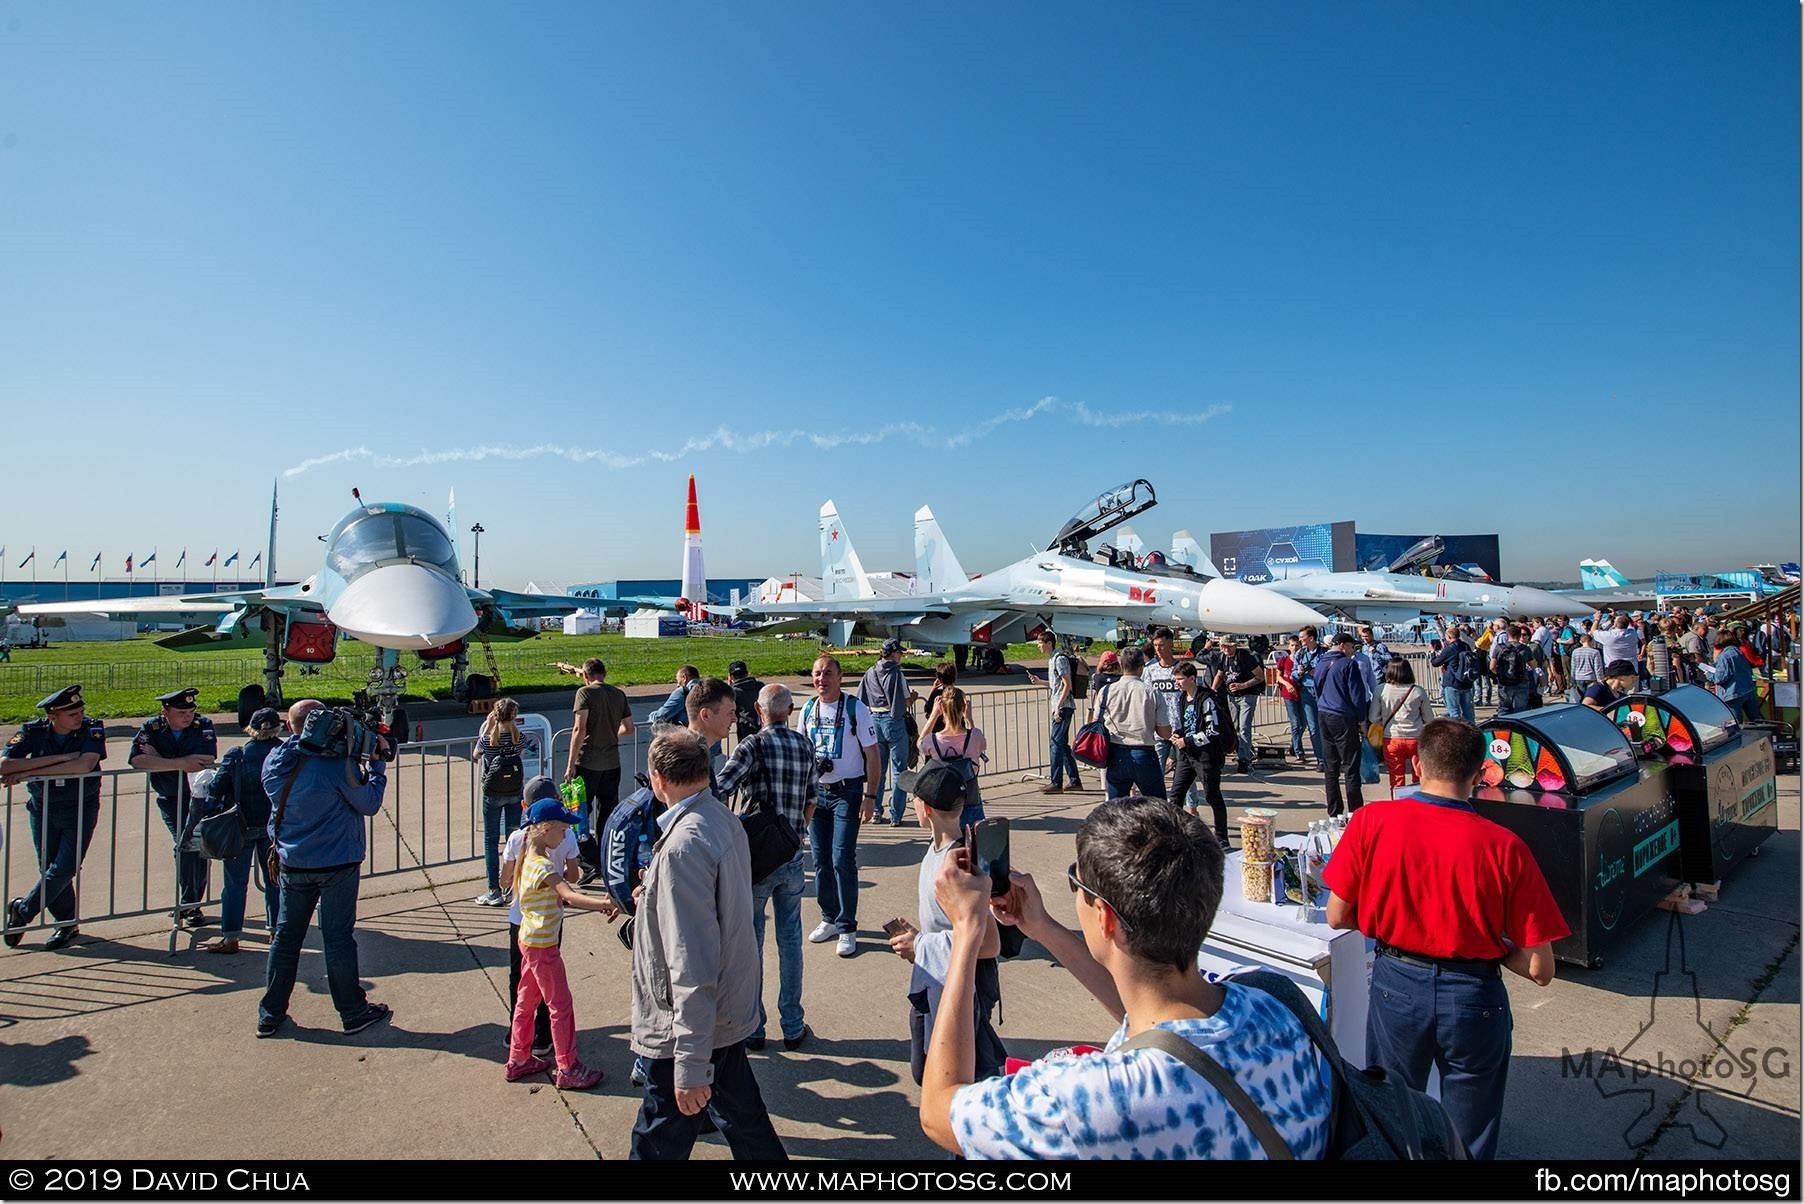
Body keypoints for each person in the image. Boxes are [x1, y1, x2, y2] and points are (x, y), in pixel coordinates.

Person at [919, 795, 1331, 1159]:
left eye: (1075, 883)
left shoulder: (1093, 1100)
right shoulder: (1275, 1007)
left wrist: (966, 933)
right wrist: (1042, 926)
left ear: (1104, 917)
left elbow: (940, 1111)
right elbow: (1154, 1020)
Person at [1325, 718, 1569, 1159]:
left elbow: (1337, 914)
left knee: (1392, 1112)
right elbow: (1540, 968)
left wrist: (1390, 919)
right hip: (1474, 994)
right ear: (1479, 776)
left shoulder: (1371, 820)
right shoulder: (1505, 846)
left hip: (1396, 982)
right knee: (1469, 1130)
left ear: (1416, 765)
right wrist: (1496, 945)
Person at [629, 730, 787, 1161]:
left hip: (687, 1028)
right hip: (721, 1016)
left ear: (658, 779)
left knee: (656, 1141)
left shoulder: (683, 845)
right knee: (747, 1126)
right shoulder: (720, 819)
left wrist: (690, 1063)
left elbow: (691, 963)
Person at [256, 699, 394, 1039]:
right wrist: (376, 767)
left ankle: (270, 1014)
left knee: (286, 940)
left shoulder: (276, 761)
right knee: (337, 940)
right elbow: (369, 803)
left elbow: (292, 756)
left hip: (293, 862)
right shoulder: (336, 766)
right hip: (337, 864)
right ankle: (352, 1012)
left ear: (290, 727)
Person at [887, 763, 1005, 1086]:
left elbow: (990, 942)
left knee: (958, 1077)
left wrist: (921, 945)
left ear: (925, 809)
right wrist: (918, 939)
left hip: (960, 989)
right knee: (927, 1069)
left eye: (913, 797)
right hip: (937, 979)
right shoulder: (935, 849)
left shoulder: (960, 862)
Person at [716, 682, 818, 1052]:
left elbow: (721, 785)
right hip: (791, 855)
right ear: (789, 711)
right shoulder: (805, 745)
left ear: (759, 712)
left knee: (752, 942)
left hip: (757, 857)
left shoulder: (753, 745)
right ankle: (792, 1024)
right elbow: (812, 798)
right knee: (791, 941)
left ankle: (754, 1026)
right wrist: (798, 833)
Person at [506, 793, 617, 1090]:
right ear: (545, 828)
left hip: (529, 941)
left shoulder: (527, 857)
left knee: (527, 1001)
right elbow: (568, 894)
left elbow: (553, 899)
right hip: (543, 947)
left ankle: (518, 1057)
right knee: (560, 1005)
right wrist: (603, 903)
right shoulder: (543, 866)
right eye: (563, 828)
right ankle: (567, 1066)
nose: (566, 833)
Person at [2, 685, 106, 951]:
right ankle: (67, 923)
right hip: (44, 806)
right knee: (49, 867)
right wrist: (59, 758)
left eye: (80, 711)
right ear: (53, 716)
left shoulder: (92, 728)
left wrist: (28, 771)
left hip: (79, 806)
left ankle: (23, 911)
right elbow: (4, 766)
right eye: (72, 713)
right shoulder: (31, 731)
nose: (79, 716)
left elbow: (83, 765)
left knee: (65, 868)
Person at [499, 777, 586, 1065]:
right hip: (547, 929)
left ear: (525, 807)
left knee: (522, 987)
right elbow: (571, 883)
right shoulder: (560, 846)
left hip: (521, 924)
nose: (564, 832)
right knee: (556, 998)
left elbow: (505, 880)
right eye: (562, 827)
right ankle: (558, 1053)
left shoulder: (517, 839)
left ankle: (518, 1046)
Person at [802, 655, 880, 958]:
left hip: (847, 792)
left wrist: (871, 796)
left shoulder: (855, 709)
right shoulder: (808, 709)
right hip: (817, 793)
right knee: (820, 860)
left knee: (842, 858)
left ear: (840, 676)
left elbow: (872, 755)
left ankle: (848, 926)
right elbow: (803, 751)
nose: (822, 679)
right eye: (817, 674)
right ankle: (829, 917)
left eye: (828, 673)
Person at [129, 687, 218, 929]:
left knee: (194, 846)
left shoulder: (203, 725)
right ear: (165, 712)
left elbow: (205, 760)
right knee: (184, 844)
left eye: (191, 710)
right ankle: (190, 902)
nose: (188, 715)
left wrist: (160, 759)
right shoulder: (151, 728)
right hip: (170, 797)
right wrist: (181, 763)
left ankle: (190, 902)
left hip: (197, 798)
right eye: (181, 711)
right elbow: (138, 760)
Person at [201, 707, 285, 954]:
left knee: (235, 884)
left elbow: (215, 789)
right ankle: (276, 932)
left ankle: (230, 936)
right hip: (274, 828)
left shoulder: (237, 755)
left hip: (240, 827)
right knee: (274, 882)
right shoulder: (284, 752)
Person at [565, 658, 634, 842]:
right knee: (608, 810)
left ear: (585, 675)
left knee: (579, 813)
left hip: (587, 762)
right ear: (605, 674)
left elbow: (580, 729)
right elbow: (629, 728)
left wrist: (570, 764)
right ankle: (606, 850)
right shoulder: (619, 694)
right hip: (612, 762)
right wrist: (611, 732)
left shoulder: (584, 693)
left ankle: (586, 856)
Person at [1092, 646, 1170, 800]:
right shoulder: (1151, 692)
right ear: (1141, 667)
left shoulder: (1107, 691)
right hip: (1144, 752)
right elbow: (1164, 732)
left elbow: (1096, 721)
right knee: (1157, 805)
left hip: (1116, 752)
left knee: (1116, 806)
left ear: (1121, 665)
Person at [1168, 661, 1230, 846]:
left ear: (1192, 679)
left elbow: (1212, 731)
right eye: (1175, 679)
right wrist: (1178, 733)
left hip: (1206, 756)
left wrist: (1186, 740)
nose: (1177, 683)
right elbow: (1186, 724)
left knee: (1212, 796)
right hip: (1187, 756)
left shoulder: (1206, 699)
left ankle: (1221, 836)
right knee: (1175, 796)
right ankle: (1176, 834)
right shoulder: (1181, 698)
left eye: (1180, 679)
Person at [471, 697, 526, 907]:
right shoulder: (520, 738)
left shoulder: (488, 740)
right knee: (514, 839)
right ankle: (512, 887)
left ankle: (494, 889)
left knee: (491, 841)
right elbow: (519, 753)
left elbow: (477, 755)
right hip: (514, 791)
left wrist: (488, 726)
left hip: (492, 792)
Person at [859, 638, 920, 826]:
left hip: (874, 720)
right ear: (893, 654)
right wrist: (914, 697)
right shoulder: (896, 674)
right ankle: (896, 814)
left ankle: (876, 811)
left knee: (879, 768)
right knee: (899, 770)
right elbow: (904, 701)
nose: (900, 655)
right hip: (893, 721)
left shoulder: (870, 672)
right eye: (899, 653)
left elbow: (862, 697)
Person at [1314, 631, 1371, 818]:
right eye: (1351, 646)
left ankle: (1334, 812)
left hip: (1324, 712)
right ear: (1342, 645)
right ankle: (1355, 812)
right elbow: (1357, 695)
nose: (1352, 650)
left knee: (1331, 767)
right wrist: (1362, 721)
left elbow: (1317, 686)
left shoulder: (1322, 661)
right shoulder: (1349, 664)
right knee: (1350, 767)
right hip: (1343, 715)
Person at [917, 686, 987, 828]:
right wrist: (970, 719)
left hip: (944, 800)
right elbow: (982, 746)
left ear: (942, 709)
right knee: (974, 844)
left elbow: (920, 743)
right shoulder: (975, 735)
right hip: (970, 797)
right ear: (963, 708)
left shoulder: (932, 740)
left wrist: (933, 715)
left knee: (945, 844)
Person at [1032, 633, 1085, 794]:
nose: (1038, 646)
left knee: (1055, 744)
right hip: (1060, 705)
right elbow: (1056, 684)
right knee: (1061, 744)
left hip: (1062, 707)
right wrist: (1040, 682)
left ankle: (1056, 782)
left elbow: (1066, 684)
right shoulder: (1052, 659)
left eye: (1040, 643)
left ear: (1049, 643)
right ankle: (1074, 780)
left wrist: (1058, 707)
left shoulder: (1059, 659)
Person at [1376, 659, 1433, 797]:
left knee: (1396, 777)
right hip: (1416, 737)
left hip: (1392, 737)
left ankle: (1397, 804)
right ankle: (1418, 803)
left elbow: (1373, 717)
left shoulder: (1381, 689)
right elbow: (1429, 718)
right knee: (1419, 775)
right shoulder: (1417, 691)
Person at [1142, 627, 1183, 783]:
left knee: (1184, 774)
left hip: (1181, 728)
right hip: (1159, 729)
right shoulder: (1150, 671)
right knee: (1156, 772)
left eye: (1162, 645)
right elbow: (1146, 698)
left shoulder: (1181, 669)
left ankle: (1191, 806)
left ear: (1170, 644)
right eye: (1156, 646)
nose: (1158, 649)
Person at [1221, 635, 1264, 775]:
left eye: (1228, 646)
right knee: (1236, 727)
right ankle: (1242, 751)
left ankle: (1244, 759)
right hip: (1232, 696)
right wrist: (1212, 690)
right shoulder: (1223, 658)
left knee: (1244, 726)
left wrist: (1242, 686)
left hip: (1248, 695)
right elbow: (1219, 674)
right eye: (1223, 646)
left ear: (1234, 646)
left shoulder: (1246, 657)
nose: (1225, 649)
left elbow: (1260, 676)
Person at [1700, 634, 1764, 724]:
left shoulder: (1724, 656)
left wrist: (1708, 674)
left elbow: (1719, 678)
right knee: (1757, 720)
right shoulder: (1739, 652)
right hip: (1748, 689)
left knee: (1736, 724)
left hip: (1733, 693)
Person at [1291, 626, 1325, 763]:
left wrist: (1318, 672)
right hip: (1307, 692)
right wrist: (1299, 672)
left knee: (1326, 726)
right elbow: (1293, 674)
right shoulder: (1300, 654)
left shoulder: (1324, 653)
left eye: (1302, 637)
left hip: (1322, 692)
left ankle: (1331, 757)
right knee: (1313, 727)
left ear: (1311, 638)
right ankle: (1321, 759)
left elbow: (1330, 671)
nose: (1300, 640)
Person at [1431, 625, 1479, 723]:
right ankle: (1472, 732)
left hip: (1452, 683)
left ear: (1449, 637)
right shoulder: (1466, 646)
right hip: (1466, 682)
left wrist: (1432, 652)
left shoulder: (1450, 649)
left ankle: (1457, 734)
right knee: (1468, 712)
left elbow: (1435, 662)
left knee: (1454, 712)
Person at [1275, 635, 1308, 761]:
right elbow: (1279, 677)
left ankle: (1294, 744)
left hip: (1302, 694)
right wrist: (1287, 684)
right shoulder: (1283, 660)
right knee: (1295, 723)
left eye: (1297, 645)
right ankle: (1299, 751)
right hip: (1289, 695)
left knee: (1303, 724)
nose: (1294, 648)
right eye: (1292, 645)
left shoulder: (1303, 660)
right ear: (1289, 646)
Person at [1491, 626, 1537, 714]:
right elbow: (1534, 665)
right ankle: (1519, 727)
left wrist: (1500, 674)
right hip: (1521, 681)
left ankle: (1503, 726)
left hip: (1504, 682)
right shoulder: (1525, 649)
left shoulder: (1499, 648)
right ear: (1519, 635)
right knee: (1521, 709)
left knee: (1504, 708)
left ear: (1507, 635)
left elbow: (1492, 667)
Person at [727, 660, 765, 744]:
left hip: (745, 731)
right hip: (764, 727)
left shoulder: (733, 692)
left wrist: (729, 688)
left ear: (731, 677)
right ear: (747, 673)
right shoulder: (760, 686)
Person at [920, 661, 959, 739]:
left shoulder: (937, 694)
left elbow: (927, 708)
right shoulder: (959, 693)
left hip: (938, 731)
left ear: (939, 678)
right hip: (956, 730)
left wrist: (933, 689)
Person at [1568, 632, 1605, 703]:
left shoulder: (1575, 652)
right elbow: (1598, 667)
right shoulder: (1595, 652)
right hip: (1591, 678)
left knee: (1580, 698)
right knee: (1590, 698)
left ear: (1581, 641)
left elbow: (1573, 667)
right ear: (1591, 641)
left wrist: (1572, 681)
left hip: (1578, 677)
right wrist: (1600, 679)